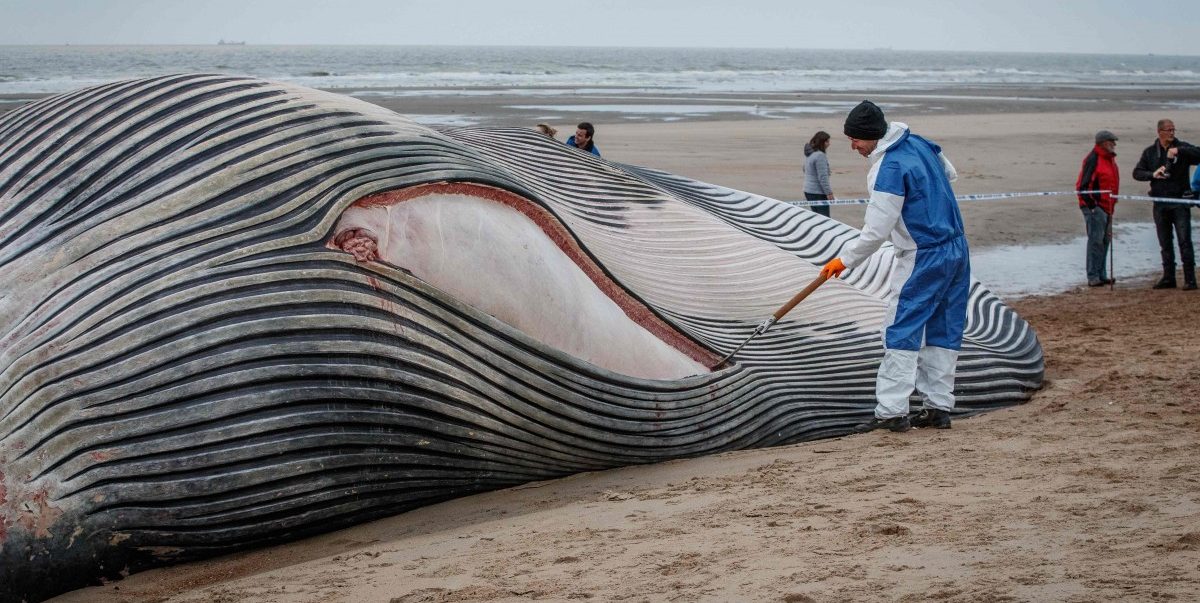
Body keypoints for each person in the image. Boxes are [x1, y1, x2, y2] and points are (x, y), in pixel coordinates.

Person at [819, 100, 969, 433]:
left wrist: (843, 260)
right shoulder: (920, 143)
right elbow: (950, 174)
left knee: (901, 329)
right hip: (957, 249)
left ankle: (891, 412)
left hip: (923, 255)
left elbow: (876, 231)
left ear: (872, 136)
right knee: (945, 327)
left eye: (856, 139)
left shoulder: (889, 168)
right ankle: (938, 407)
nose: (853, 145)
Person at [1132, 119, 1200, 290]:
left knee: (1185, 241)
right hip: (1160, 202)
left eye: (1173, 130)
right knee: (1165, 242)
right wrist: (1153, 174)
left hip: (1179, 202)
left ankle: (1190, 279)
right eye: (1168, 130)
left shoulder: (1181, 148)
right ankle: (1168, 277)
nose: (1171, 133)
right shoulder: (1150, 152)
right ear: (1159, 131)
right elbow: (1137, 173)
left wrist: (1179, 151)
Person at [1076, 130, 1120, 287]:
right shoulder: (1093, 159)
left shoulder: (1110, 159)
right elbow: (1083, 185)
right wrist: (1092, 206)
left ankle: (1101, 274)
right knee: (1096, 240)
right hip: (1095, 206)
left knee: (1105, 240)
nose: (1114, 144)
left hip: (1108, 205)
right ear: (1103, 143)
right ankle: (1093, 275)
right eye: (1112, 141)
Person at [803, 131, 834, 217]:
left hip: (808, 190)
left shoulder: (810, 153)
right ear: (822, 142)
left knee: (816, 218)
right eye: (827, 141)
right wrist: (829, 193)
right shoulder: (820, 156)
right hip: (817, 192)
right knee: (824, 219)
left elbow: (804, 169)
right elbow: (823, 177)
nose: (829, 144)